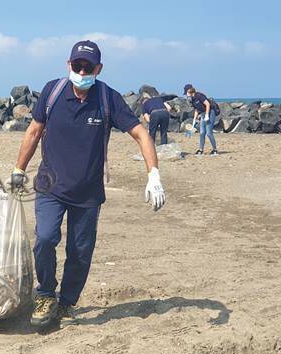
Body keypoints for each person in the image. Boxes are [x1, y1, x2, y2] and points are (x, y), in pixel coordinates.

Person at [10, 41, 165, 327]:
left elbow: (141, 134)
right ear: (68, 65)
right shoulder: (52, 92)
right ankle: (45, 295)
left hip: (88, 192)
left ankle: (67, 302)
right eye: (77, 65)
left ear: (99, 69)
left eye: (88, 67)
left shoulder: (108, 98)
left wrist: (153, 174)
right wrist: (19, 169)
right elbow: (33, 132)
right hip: (50, 186)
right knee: (44, 239)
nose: (81, 71)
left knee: (80, 253)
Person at [184, 84, 218, 156]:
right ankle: (201, 150)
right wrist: (194, 121)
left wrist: (206, 115)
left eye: (186, 93)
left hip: (210, 113)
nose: (186, 95)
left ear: (189, 90)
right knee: (202, 132)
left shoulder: (199, 95)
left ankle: (215, 150)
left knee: (208, 133)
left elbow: (207, 104)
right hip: (202, 114)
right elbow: (196, 110)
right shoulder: (192, 100)